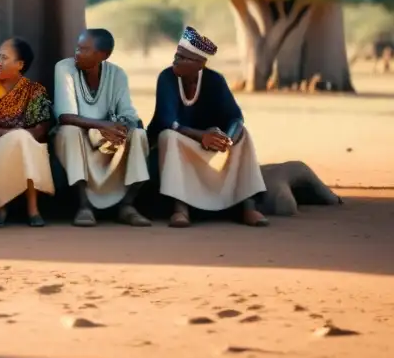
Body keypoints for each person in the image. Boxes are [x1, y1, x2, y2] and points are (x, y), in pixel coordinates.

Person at [148, 26, 269, 228]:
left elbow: (236, 117)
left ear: (200, 64)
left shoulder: (215, 80)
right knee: (168, 136)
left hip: (211, 143)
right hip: (180, 142)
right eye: (177, 55)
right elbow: (167, 121)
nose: (176, 61)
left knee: (243, 134)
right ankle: (180, 208)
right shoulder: (167, 78)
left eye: (184, 58)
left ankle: (249, 206)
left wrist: (227, 139)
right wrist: (201, 136)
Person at [53, 29, 151, 227]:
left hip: (108, 137)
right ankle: (84, 206)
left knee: (139, 134)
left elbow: (129, 114)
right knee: (69, 132)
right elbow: (65, 116)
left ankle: (127, 206)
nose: (77, 53)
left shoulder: (117, 74)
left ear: (103, 55)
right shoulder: (64, 68)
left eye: (84, 49)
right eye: (77, 48)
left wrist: (118, 129)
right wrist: (102, 125)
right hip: (77, 135)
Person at [0, 37, 54, 227]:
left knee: (27, 145)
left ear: (20, 64)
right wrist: (11, 135)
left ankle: (32, 209)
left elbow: (41, 128)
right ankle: (4, 208)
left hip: (28, 145)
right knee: (21, 138)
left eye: (4, 58)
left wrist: (21, 137)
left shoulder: (35, 90)